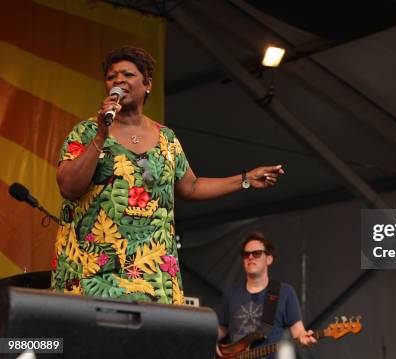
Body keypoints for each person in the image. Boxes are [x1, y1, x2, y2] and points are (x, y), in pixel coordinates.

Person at [52, 46, 284, 304]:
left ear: (147, 84)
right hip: (96, 272)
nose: (118, 80)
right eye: (111, 76)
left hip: (154, 275)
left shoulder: (167, 139)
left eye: (128, 74)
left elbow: (191, 187)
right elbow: (69, 187)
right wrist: (100, 135)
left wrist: (245, 179)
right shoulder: (86, 131)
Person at [217, 231, 316, 357]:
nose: (250, 257)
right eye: (246, 254)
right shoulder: (231, 293)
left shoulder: (284, 292)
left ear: (268, 259)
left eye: (257, 253)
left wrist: (304, 337)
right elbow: (221, 329)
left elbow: (298, 331)